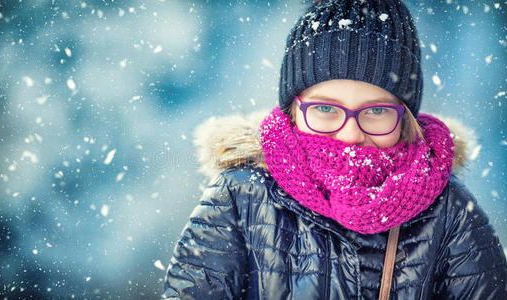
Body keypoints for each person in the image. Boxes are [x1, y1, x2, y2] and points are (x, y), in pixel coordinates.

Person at [163, 0, 507, 299]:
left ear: (405, 119)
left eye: (376, 111)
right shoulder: (240, 197)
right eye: (326, 109)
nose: (350, 134)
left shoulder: (450, 211)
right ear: (293, 112)